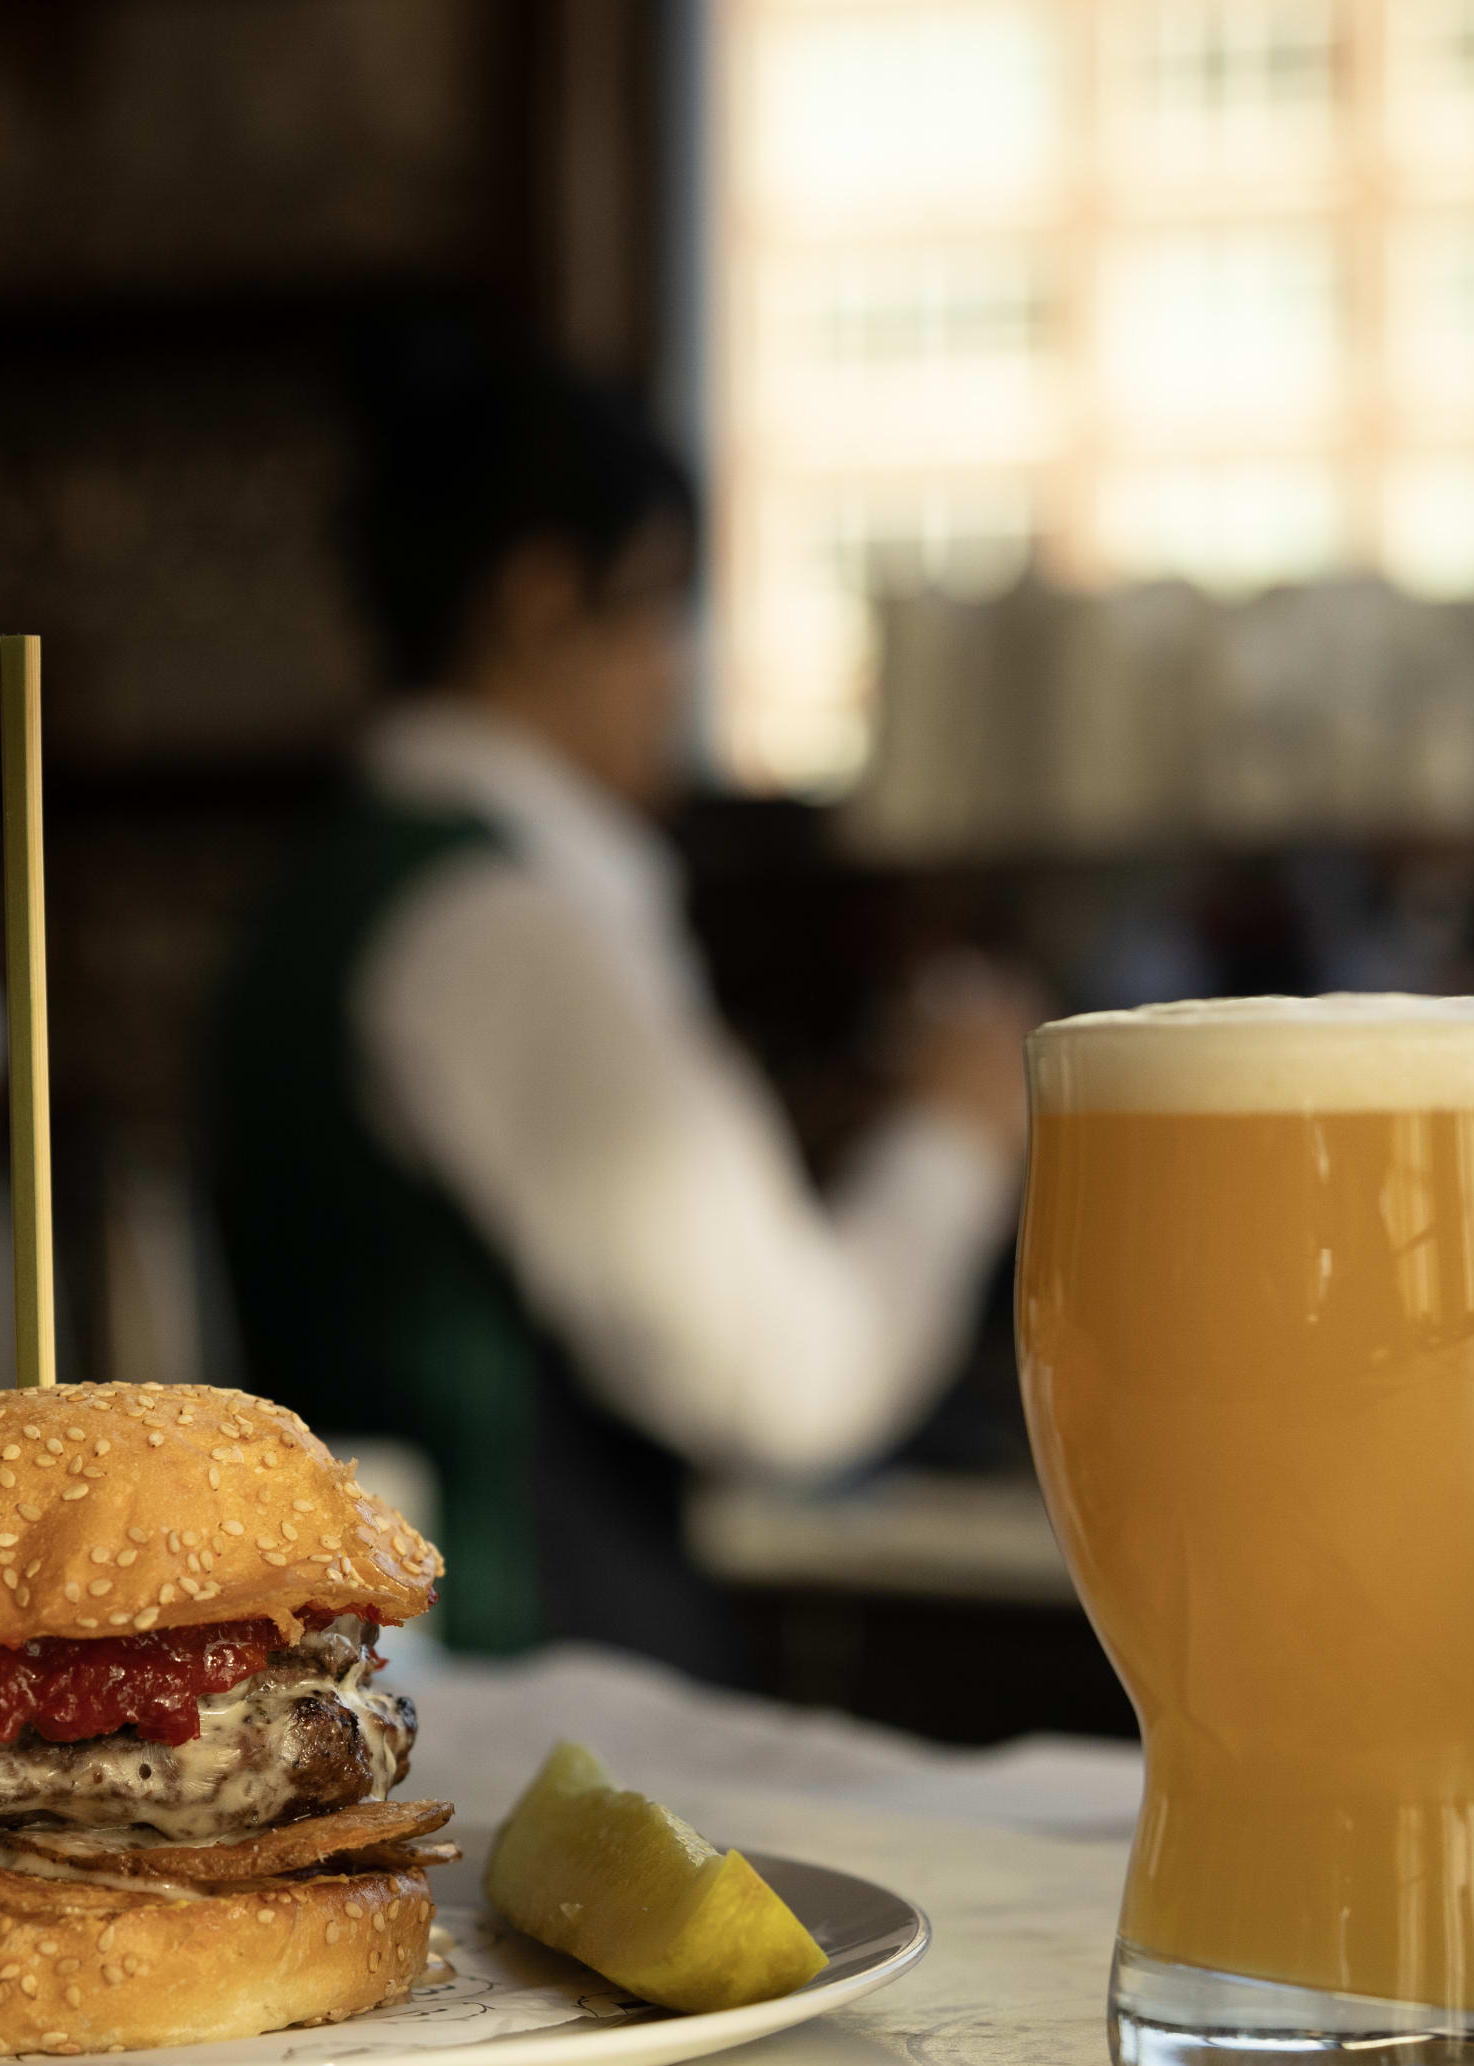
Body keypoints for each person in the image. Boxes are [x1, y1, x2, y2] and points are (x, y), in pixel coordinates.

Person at [211, 352, 1031, 1674]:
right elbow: (791, 1381)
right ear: (542, 602)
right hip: (516, 1697)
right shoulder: (498, 930)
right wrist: (960, 1132)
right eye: (663, 613)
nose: (676, 675)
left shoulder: (363, 884)